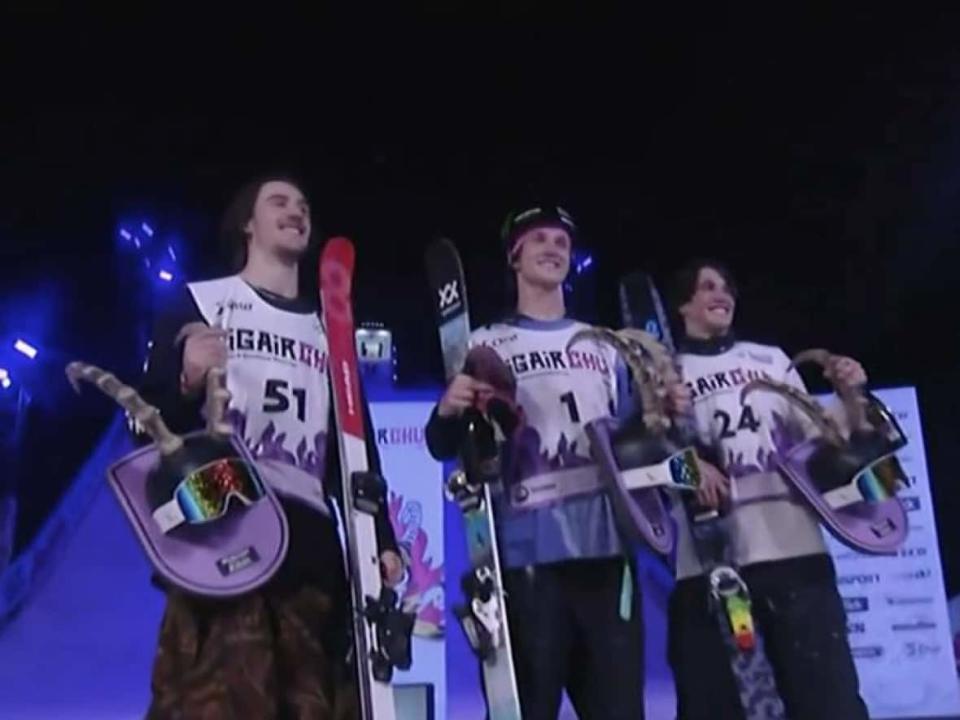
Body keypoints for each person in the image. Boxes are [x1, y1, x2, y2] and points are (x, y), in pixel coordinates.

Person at [134, 175, 403, 720]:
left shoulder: (331, 332)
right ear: (247, 225)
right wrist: (186, 380)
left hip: (309, 551)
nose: (297, 211)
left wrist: (383, 540)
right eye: (278, 202)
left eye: (304, 205)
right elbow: (142, 427)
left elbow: (354, 453)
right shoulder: (203, 303)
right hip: (223, 532)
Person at [425, 205, 687, 719]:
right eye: (538, 239)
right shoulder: (484, 342)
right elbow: (445, 444)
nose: (552, 249)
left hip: (608, 555)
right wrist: (448, 409)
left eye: (562, 242)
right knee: (531, 708)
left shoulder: (607, 346)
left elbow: (641, 444)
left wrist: (667, 414)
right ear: (515, 257)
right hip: (527, 560)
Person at [665, 258, 871, 720]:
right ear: (682, 305)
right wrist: (689, 469)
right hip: (710, 568)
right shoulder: (666, 372)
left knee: (829, 702)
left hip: (797, 558)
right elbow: (647, 466)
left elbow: (827, 444)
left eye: (727, 287)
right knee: (715, 706)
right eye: (707, 287)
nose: (722, 294)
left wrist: (850, 395)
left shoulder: (771, 359)